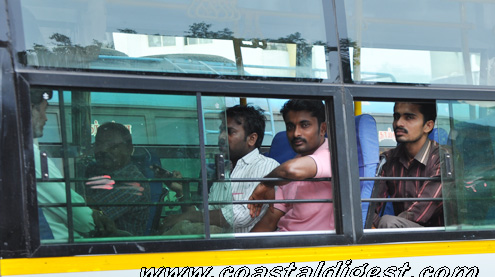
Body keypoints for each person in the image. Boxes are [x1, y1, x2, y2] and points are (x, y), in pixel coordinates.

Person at [161, 104, 279, 234]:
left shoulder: (267, 167)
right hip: (219, 241)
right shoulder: (225, 170)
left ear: (251, 139)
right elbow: (206, 213)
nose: (221, 137)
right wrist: (181, 191)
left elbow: (241, 216)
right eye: (221, 131)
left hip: (246, 244)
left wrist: (188, 216)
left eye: (230, 132)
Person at [31, 88, 114, 240]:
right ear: (30, 110)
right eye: (43, 110)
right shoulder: (31, 157)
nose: (45, 118)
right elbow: (81, 219)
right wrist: (92, 216)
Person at [249, 99, 334, 232]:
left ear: (322, 129)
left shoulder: (331, 155)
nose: (296, 133)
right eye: (290, 127)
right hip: (284, 239)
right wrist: (245, 244)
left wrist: (265, 184)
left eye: (304, 125)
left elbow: (290, 170)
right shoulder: (294, 163)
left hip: (312, 243)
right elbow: (270, 219)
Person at [373, 100, 443, 228]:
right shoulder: (388, 159)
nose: (398, 123)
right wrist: (374, 223)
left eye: (409, 117)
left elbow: (420, 213)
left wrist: (383, 226)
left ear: (428, 126)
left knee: (388, 222)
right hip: (402, 232)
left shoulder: (442, 158)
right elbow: (371, 205)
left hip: (440, 236)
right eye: (396, 117)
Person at [85, 122, 151, 236]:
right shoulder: (97, 171)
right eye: (99, 144)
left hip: (120, 245)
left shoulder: (133, 182)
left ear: (129, 149)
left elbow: (87, 210)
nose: (103, 150)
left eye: (112, 146)